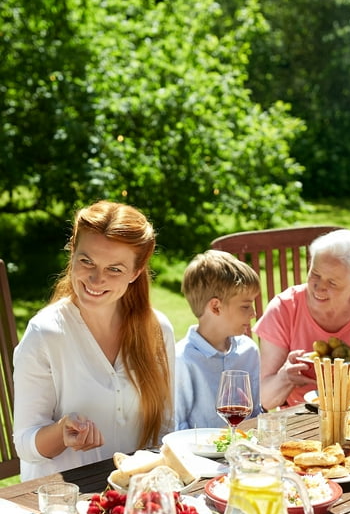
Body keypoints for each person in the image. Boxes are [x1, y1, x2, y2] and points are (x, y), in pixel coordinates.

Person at [13, 200, 175, 480]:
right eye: (86, 261)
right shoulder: (45, 333)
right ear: (72, 253)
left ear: (136, 273)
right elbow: (26, 445)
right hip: (64, 501)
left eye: (115, 269)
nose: (96, 279)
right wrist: (61, 433)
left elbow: (166, 428)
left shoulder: (158, 329)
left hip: (134, 496)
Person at [254, 229, 350, 408]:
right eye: (315, 274)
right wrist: (285, 377)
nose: (319, 288)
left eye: (332, 283)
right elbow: (264, 400)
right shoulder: (284, 308)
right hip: (299, 417)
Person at [175, 249, 263, 430]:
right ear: (216, 307)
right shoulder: (183, 360)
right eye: (246, 306)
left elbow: (255, 415)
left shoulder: (249, 351)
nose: (254, 313)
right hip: (198, 455)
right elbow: (176, 428)